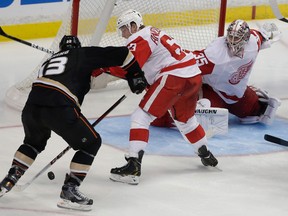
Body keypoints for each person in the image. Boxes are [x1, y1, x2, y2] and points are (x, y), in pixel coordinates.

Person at [0, 35, 147, 211]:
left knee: (32, 143)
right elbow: (123, 53)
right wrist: (135, 74)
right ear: (78, 47)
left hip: (31, 108)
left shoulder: (48, 62)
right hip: (59, 106)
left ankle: (9, 179)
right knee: (91, 143)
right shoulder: (82, 54)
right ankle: (70, 190)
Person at [109, 9, 218, 185]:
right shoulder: (153, 31)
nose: (122, 34)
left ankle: (133, 166)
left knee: (141, 116)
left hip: (174, 76)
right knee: (185, 120)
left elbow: (128, 67)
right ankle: (205, 153)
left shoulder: (139, 37)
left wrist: (102, 67)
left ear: (133, 25)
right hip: (192, 74)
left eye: (123, 29)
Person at [151, 20, 281, 128]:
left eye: (237, 38)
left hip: (235, 94)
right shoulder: (215, 55)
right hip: (211, 90)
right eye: (230, 37)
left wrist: (270, 34)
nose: (232, 41)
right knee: (170, 118)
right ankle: (174, 111)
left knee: (255, 110)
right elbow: (187, 61)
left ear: (246, 38)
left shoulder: (254, 42)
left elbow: (263, 35)